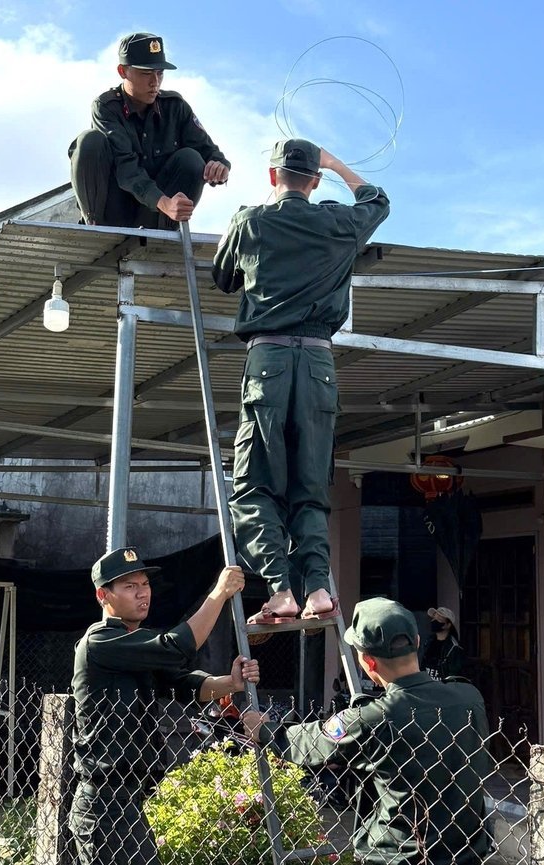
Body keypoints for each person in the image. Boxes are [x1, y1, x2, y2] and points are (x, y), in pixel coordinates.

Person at [212, 139, 389, 629]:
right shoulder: (337, 222)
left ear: (273, 178)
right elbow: (377, 201)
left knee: (254, 485)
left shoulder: (251, 221)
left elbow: (224, 277)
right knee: (310, 485)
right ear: (315, 182)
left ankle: (280, 589)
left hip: (268, 357)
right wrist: (336, 162)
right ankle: (317, 587)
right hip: (318, 364)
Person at [243, 598, 492, 865]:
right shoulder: (469, 697)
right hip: (466, 855)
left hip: (398, 855)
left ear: (368, 662)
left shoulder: (374, 717)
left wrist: (264, 729)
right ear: (417, 642)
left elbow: (310, 742)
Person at [71, 547, 260, 865]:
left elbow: (186, 684)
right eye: (130, 586)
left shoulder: (133, 643)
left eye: (144, 584)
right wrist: (219, 593)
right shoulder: (101, 643)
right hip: (104, 799)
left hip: (127, 796)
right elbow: (177, 648)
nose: (142, 593)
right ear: (103, 595)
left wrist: (232, 682)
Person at [68, 32, 230, 229]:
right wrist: (165, 203)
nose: (155, 82)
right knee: (89, 141)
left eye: (160, 73)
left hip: (156, 218)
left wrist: (220, 167)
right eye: (146, 73)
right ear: (123, 71)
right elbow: (126, 167)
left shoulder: (175, 107)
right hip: (114, 213)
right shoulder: (106, 107)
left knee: (192, 159)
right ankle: (93, 226)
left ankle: (165, 235)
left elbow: (209, 151)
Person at [424, 605, 467, 680]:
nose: (434, 621)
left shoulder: (454, 648)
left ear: (448, 625)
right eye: (434, 618)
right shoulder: (428, 642)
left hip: (443, 689)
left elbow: (454, 676)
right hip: (427, 687)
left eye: (439, 619)